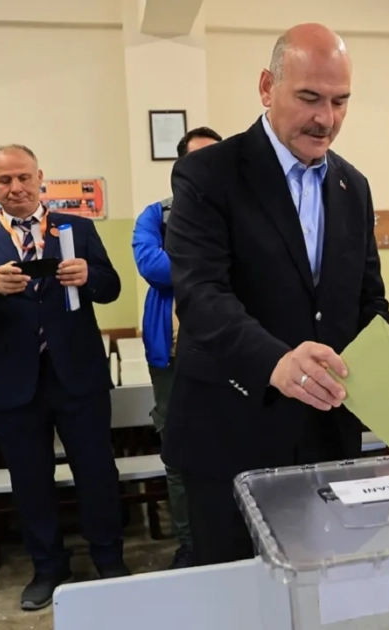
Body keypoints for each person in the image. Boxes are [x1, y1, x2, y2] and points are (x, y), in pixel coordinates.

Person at [163, 23, 388, 566]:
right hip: (231, 434)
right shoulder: (207, 175)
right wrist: (277, 362)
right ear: (267, 87)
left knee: (320, 588)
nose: (326, 118)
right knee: (237, 593)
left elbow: (368, 304)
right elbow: (201, 294)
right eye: (310, 98)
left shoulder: (352, 187)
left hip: (327, 438)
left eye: (340, 101)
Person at [0, 144, 129, 611]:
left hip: (79, 375)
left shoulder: (77, 229)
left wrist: (89, 275)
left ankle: (109, 560)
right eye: (4, 180)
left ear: (39, 177)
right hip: (16, 382)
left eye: (23, 177)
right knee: (31, 480)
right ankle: (48, 567)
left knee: (97, 472)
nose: (16, 188)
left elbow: (111, 288)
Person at [132, 125, 223, 570]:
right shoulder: (155, 214)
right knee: (178, 455)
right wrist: (210, 260)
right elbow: (151, 265)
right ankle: (189, 544)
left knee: (234, 450)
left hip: (230, 354)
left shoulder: (243, 213)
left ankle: (233, 540)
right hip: (170, 356)